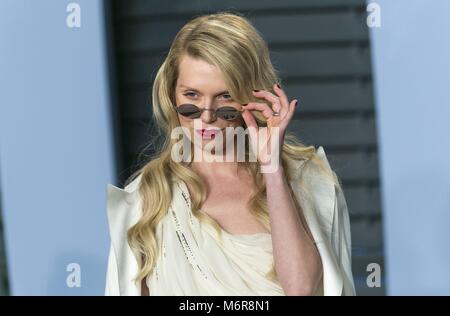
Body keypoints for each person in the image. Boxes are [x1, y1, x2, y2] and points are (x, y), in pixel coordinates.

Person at [105, 12, 355, 296]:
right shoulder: (145, 201)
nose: (207, 116)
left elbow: (301, 289)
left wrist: (272, 169)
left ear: (253, 95)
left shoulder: (309, 182)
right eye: (192, 95)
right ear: (171, 94)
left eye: (225, 96)